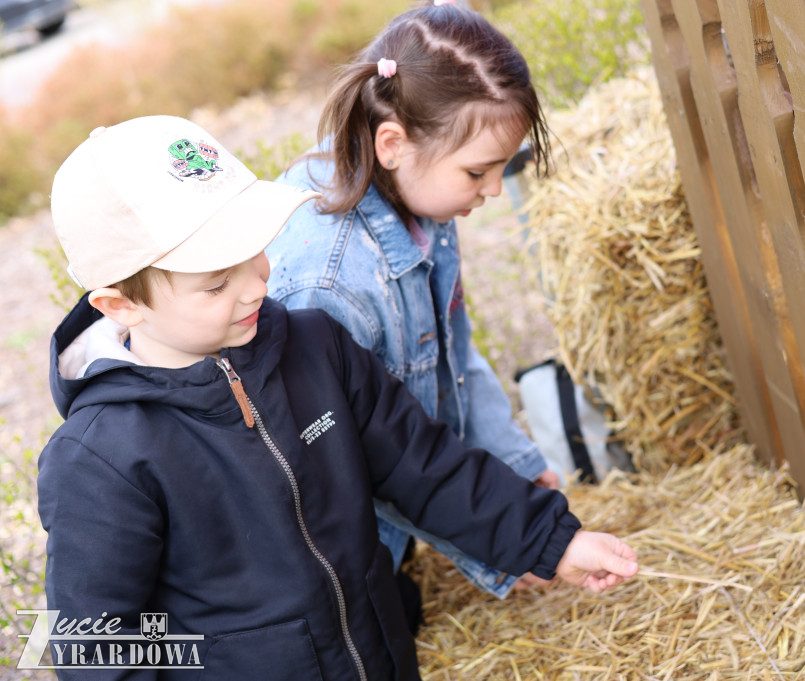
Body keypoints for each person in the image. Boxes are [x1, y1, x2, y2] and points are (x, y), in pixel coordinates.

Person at [37, 115, 639, 680]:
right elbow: (92, 645)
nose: (256, 285)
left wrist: (552, 543)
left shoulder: (312, 345)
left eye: (255, 253)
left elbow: (425, 467)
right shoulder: (102, 458)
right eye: (217, 281)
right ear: (121, 305)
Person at [266, 0, 559, 602]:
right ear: (394, 141)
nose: (493, 192)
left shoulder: (415, 191)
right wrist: (502, 537)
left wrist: (517, 471)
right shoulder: (327, 285)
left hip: (409, 509)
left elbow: (455, 358)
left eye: (502, 169)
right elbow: (355, 464)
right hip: (338, 559)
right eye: (479, 173)